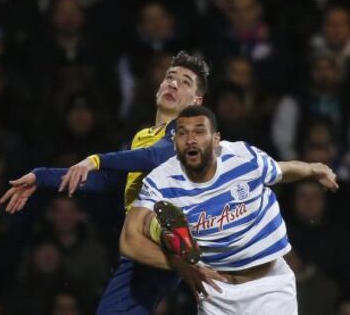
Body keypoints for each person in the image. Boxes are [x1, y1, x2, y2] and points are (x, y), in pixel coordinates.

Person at [0, 51, 218, 314]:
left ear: (197, 100)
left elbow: (155, 156)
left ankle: (173, 236)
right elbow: (102, 181)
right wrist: (41, 176)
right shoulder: (142, 136)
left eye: (184, 82)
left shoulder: (184, 133)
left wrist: (96, 159)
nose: (173, 83)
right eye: (169, 78)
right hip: (140, 244)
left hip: (155, 240)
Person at [120, 105, 338, 314]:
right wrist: (179, 265)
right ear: (175, 141)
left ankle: (167, 236)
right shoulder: (161, 180)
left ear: (216, 140)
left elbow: (280, 169)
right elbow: (129, 241)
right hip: (215, 293)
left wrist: (310, 168)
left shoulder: (242, 157)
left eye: (199, 131)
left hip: (268, 288)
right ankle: (165, 235)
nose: (191, 139)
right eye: (182, 133)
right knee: (146, 221)